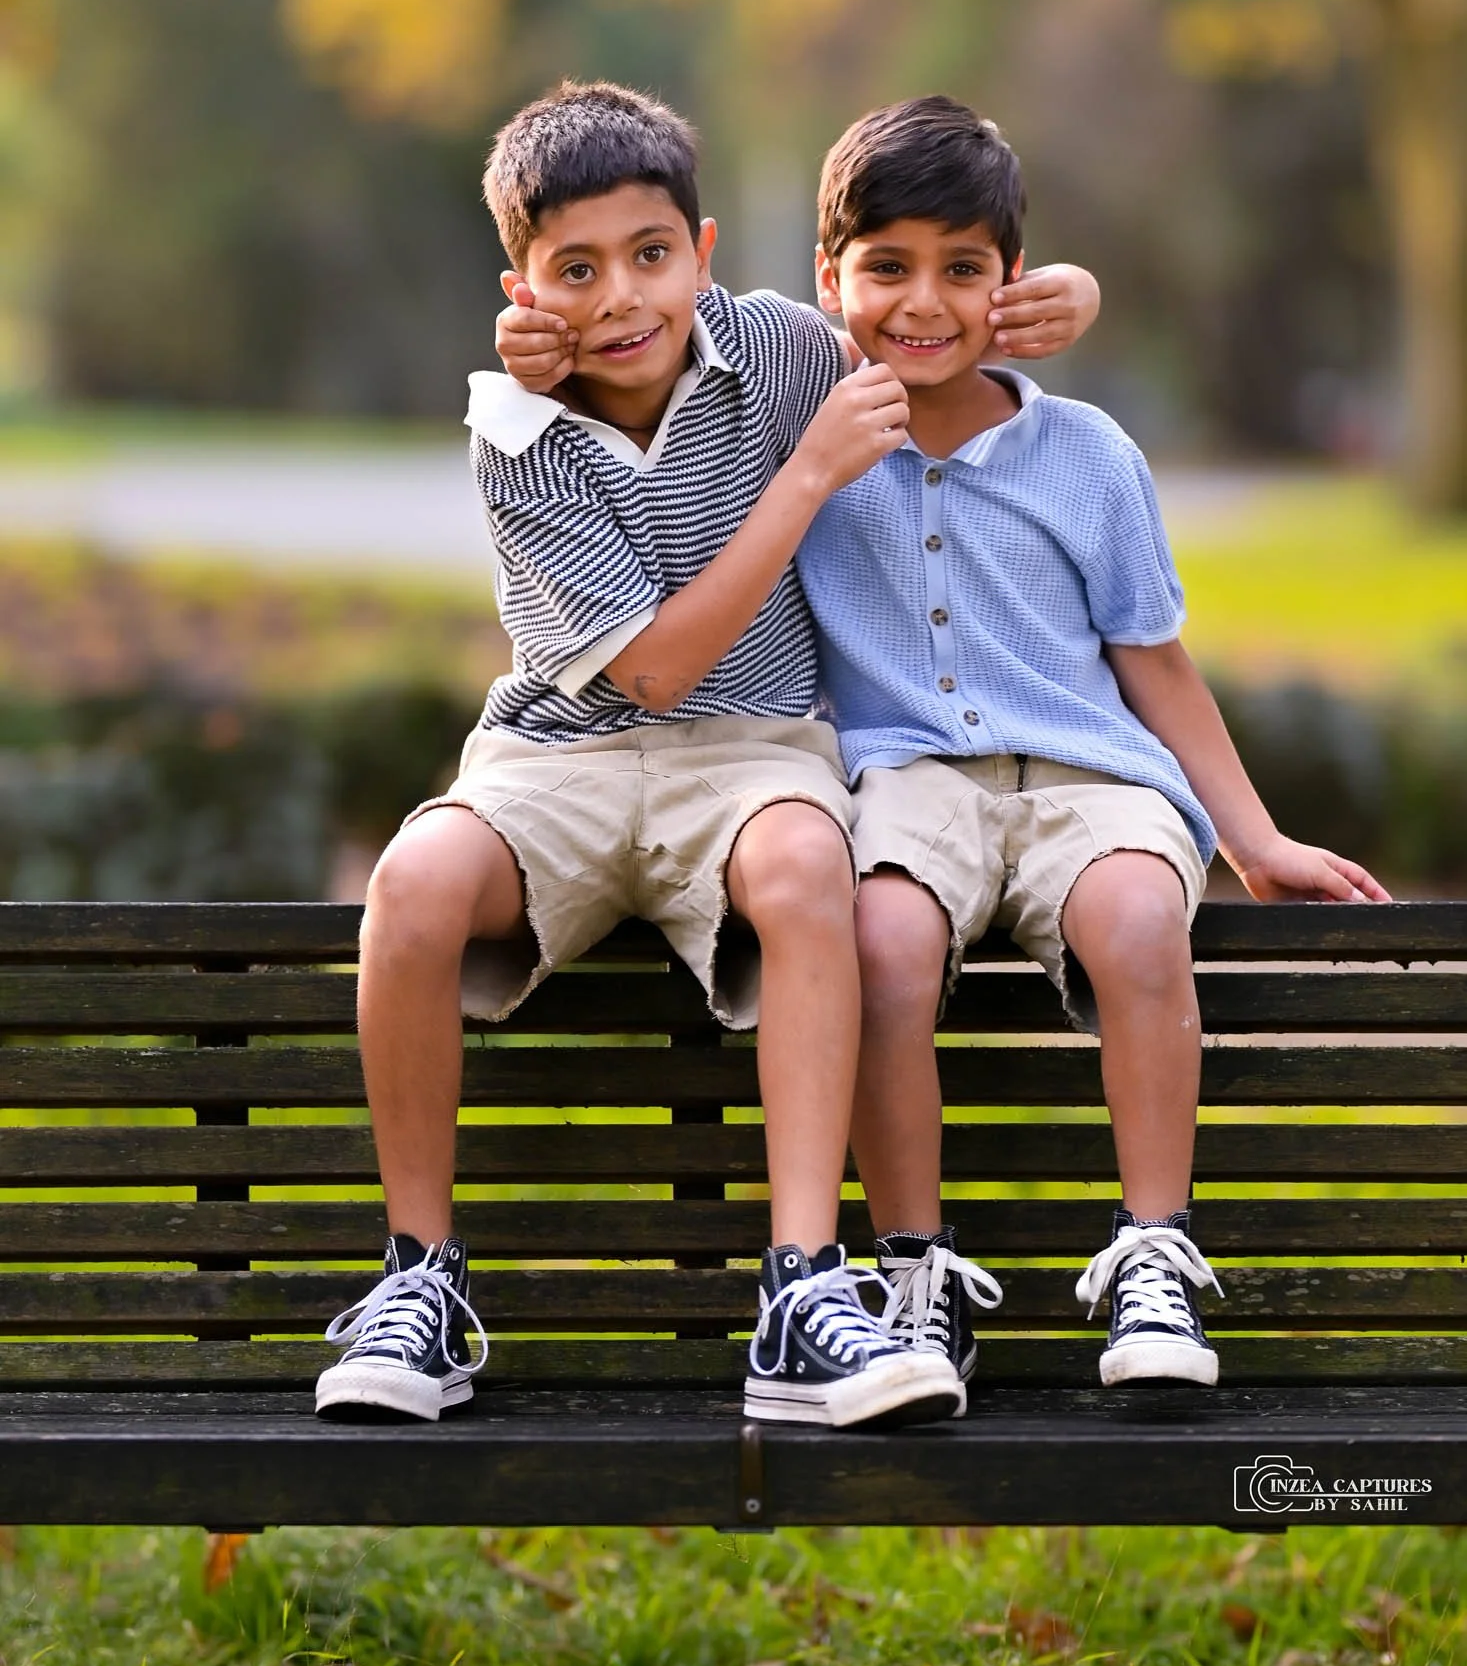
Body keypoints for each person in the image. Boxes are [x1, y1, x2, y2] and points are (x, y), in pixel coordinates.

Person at [315, 80, 1099, 1429]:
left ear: (703, 250)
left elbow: (916, 322)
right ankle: (418, 1280)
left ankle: (801, 1286)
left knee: (808, 868)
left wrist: (1064, 296)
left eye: (649, 255)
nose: (620, 298)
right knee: (410, 888)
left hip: (751, 757)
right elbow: (655, 668)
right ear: (523, 287)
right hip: (559, 758)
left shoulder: (787, 353)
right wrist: (800, 485)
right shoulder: (516, 432)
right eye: (575, 270)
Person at [794, 94, 1391, 1398]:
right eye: (886, 266)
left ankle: (1152, 1255)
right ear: (825, 276)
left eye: (963, 269)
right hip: (905, 783)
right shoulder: (803, 438)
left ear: (1011, 285)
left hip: (1085, 778)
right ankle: (910, 1274)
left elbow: (1153, 662)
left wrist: (1252, 837)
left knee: (1133, 921)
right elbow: (682, 338)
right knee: (881, 945)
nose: (924, 302)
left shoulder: (1086, 456)